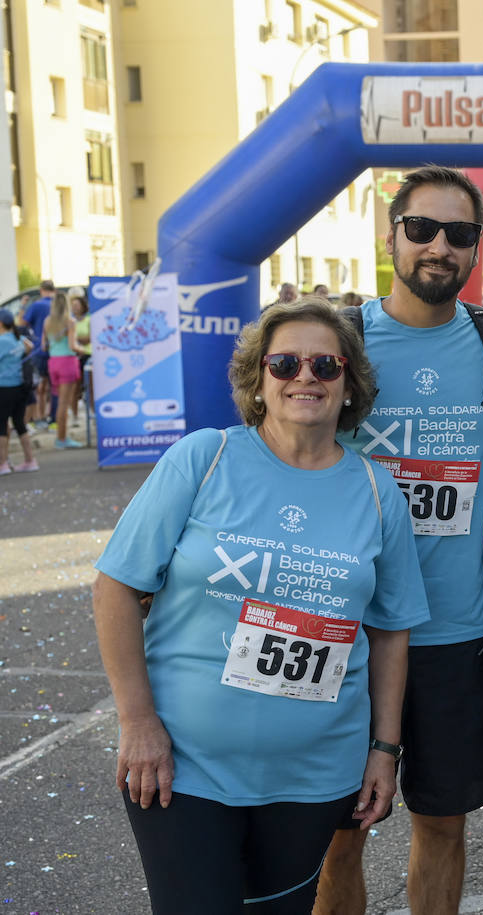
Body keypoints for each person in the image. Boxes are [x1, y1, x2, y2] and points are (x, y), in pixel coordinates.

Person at [92, 297, 426, 914]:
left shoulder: (379, 493)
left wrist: (384, 750)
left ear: (350, 384)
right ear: (258, 379)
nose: (306, 376)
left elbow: (389, 631)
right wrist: (137, 723)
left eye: (327, 365)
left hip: (314, 775)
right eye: (285, 363)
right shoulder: (204, 458)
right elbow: (115, 585)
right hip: (182, 767)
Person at [316, 166, 483, 915]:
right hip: (348, 629)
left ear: (475, 247)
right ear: (390, 233)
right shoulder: (340, 341)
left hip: (454, 632)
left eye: (458, 235)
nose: (438, 247)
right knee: (337, 836)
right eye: (421, 229)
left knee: (442, 825)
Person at [43, 291, 83, 449]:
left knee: (59, 401)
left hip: (53, 362)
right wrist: (82, 349)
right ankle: (62, 438)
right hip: (67, 362)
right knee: (64, 404)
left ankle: (62, 436)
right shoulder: (70, 321)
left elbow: (43, 346)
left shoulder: (47, 321)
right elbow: (73, 346)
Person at [0, 309, 38, 473]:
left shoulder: (2, 341)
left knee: (1, 425)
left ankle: (3, 464)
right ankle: (30, 460)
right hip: (21, 387)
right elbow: (30, 346)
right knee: (19, 423)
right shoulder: (20, 339)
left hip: (4, 387)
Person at [18, 280, 54, 430]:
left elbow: (21, 323)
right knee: (55, 387)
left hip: (40, 348)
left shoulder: (37, 305)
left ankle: (40, 416)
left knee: (40, 386)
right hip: (58, 350)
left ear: (41, 290)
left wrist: (22, 306)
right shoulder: (60, 304)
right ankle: (52, 416)